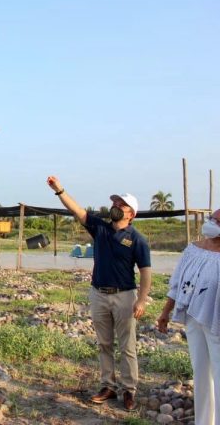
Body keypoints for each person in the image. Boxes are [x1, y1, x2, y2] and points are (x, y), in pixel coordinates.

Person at [47, 176, 151, 411]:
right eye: (114, 203)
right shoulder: (100, 229)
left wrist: (142, 300)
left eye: (120, 205)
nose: (115, 207)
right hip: (99, 294)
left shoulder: (137, 240)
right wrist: (59, 190)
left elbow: (145, 273)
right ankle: (108, 386)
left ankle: (129, 390)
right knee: (104, 343)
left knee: (127, 346)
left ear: (131, 214)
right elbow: (78, 211)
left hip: (125, 296)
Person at [157, 209, 220, 425]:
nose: (211, 223)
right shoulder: (193, 250)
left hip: (217, 323)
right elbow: (177, 285)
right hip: (195, 318)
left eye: (217, 221)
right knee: (201, 373)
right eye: (212, 218)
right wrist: (165, 312)